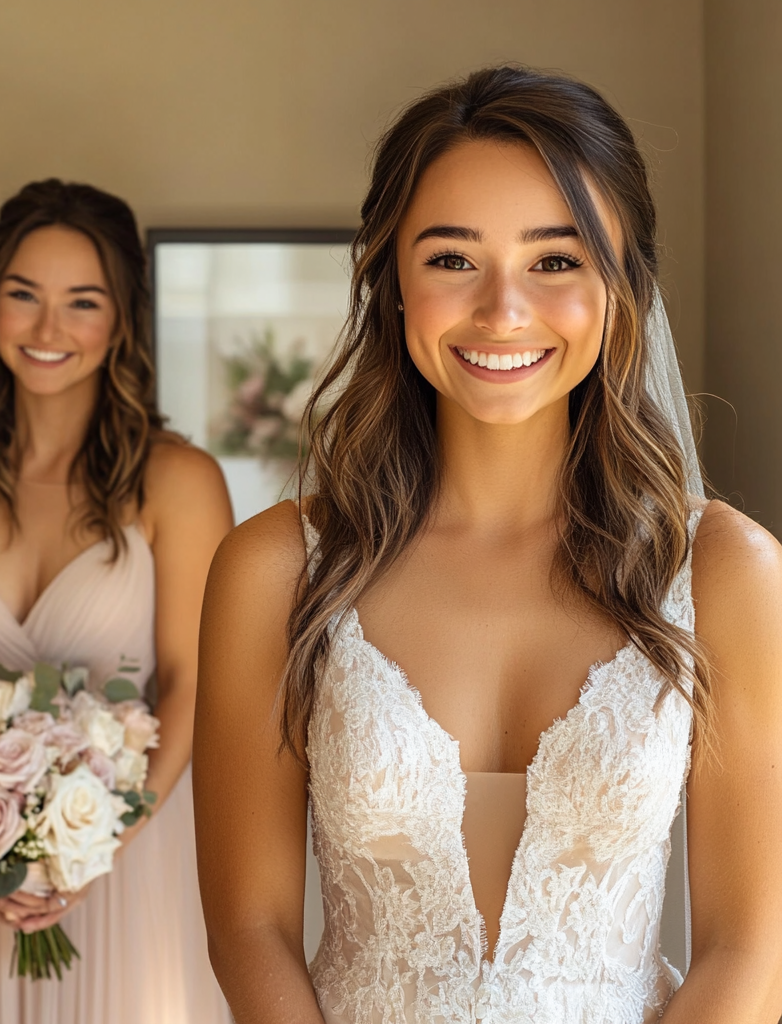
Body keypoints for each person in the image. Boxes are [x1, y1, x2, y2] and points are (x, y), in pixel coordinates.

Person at [194, 65, 782, 1023]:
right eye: (452, 259)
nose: (503, 311)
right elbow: (249, 931)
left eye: (556, 261)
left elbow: (750, 948)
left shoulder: (725, 572)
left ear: (622, 286)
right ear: (390, 278)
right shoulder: (275, 569)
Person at [0, 178, 234, 1024]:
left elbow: (193, 683)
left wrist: (92, 845)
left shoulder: (179, 482)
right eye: (23, 296)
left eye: (82, 302)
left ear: (120, 322)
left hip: (125, 870)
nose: (47, 330)